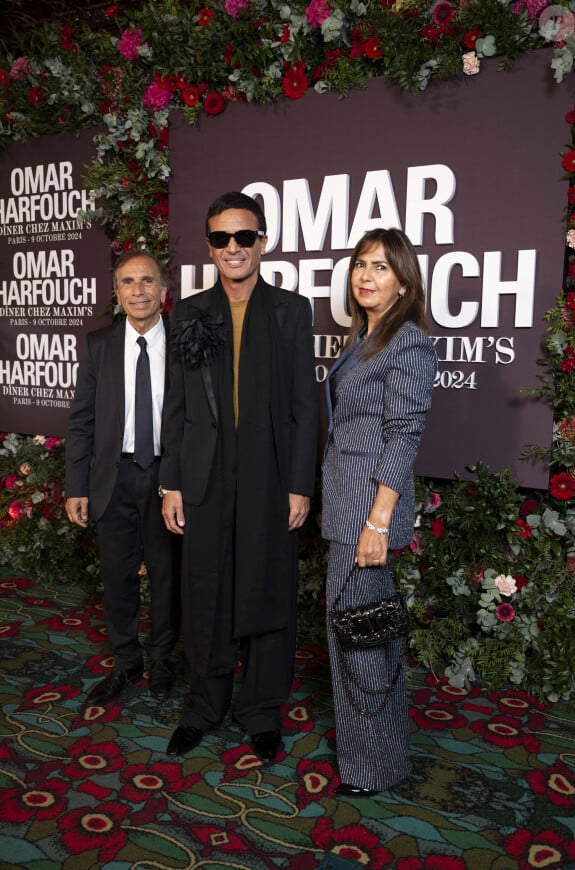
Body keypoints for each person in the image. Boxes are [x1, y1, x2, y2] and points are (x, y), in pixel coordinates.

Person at [159, 191, 317, 762]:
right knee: (205, 593)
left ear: (262, 243)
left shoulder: (292, 311)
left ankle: (261, 710)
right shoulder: (189, 313)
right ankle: (204, 706)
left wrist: (301, 484)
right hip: (202, 476)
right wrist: (170, 482)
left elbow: (305, 404)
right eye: (222, 238)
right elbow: (175, 405)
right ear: (210, 246)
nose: (233, 248)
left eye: (243, 237)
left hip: (271, 475)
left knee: (267, 590)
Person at [321, 228, 437, 796]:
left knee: (360, 641)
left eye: (382, 267)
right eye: (361, 264)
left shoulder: (407, 342)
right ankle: (375, 760)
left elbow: (402, 435)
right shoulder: (364, 339)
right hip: (348, 508)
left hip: (365, 513)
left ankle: (372, 770)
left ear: (403, 282)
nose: (366, 276)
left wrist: (377, 521)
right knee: (361, 637)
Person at [65, 250, 181, 705]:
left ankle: (163, 662)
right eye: (128, 282)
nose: (138, 290)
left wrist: (180, 481)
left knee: (167, 576)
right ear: (116, 293)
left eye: (147, 281)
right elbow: (81, 421)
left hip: (165, 479)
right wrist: (76, 485)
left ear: (163, 292)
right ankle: (127, 662)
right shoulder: (98, 345)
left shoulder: (181, 342)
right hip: (112, 478)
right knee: (118, 577)